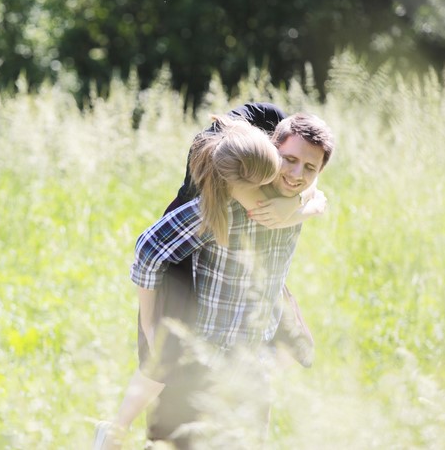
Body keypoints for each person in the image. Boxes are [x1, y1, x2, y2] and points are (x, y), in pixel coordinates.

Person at [94, 111, 335, 449]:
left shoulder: (298, 200)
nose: (296, 174)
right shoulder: (229, 204)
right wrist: (149, 323)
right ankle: (114, 434)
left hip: (251, 360)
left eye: (309, 168)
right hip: (201, 357)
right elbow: (149, 248)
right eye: (289, 160)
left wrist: (300, 204)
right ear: (271, 151)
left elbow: (314, 191)